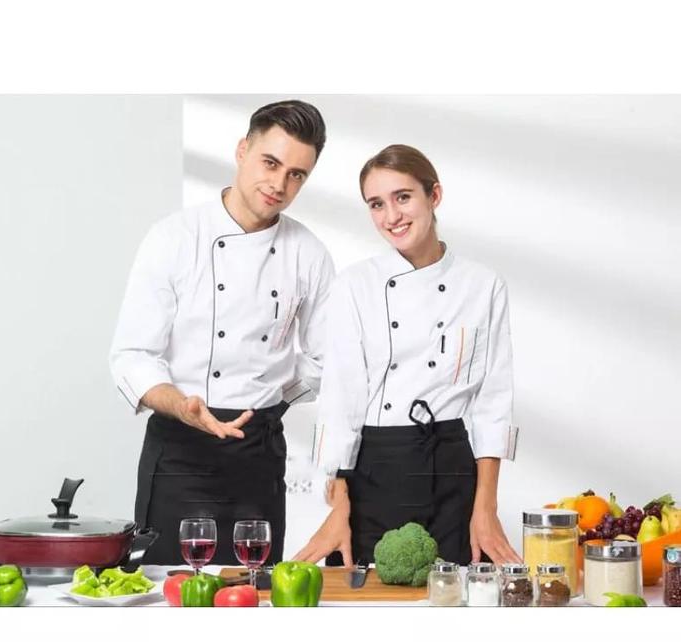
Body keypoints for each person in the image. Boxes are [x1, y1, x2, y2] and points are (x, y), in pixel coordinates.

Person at [110, 100, 335, 565]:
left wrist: (272, 400)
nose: (279, 184)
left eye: (296, 174)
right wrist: (182, 406)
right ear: (242, 150)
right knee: (170, 590)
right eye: (270, 163)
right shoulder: (174, 237)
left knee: (255, 589)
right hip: (180, 451)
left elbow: (326, 358)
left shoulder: (309, 254)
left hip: (258, 455)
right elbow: (132, 354)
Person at [294, 144, 520, 568]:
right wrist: (338, 507)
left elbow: (493, 404)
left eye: (403, 197)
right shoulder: (354, 286)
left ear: (434, 195)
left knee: (459, 594)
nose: (391, 216)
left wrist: (486, 508)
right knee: (366, 592)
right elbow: (340, 402)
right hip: (374, 471)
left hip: (453, 470)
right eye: (376, 204)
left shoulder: (483, 285)